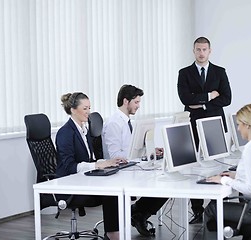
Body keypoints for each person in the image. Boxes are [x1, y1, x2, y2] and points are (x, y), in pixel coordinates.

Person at [56, 92, 127, 240]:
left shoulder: (83, 129)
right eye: (85, 109)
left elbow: (88, 159)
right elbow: (70, 167)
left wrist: (107, 163)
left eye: (89, 108)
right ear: (73, 110)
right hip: (69, 186)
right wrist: (97, 164)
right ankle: (113, 235)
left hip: (83, 180)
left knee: (116, 186)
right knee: (111, 192)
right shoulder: (65, 133)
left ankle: (115, 232)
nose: (89, 112)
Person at [177, 36, 232, 224]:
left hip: (214, 124)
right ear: (194, 51)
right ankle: (197, 210)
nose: (201, 53)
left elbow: (227, 98)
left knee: (217, 164)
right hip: (192, 124)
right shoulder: (184, 73)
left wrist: (201, 104)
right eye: (198, 50)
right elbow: (185, 98)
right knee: (194, 167)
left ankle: (218, 208)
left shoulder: (219, 72)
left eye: (204, 50)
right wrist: (209, 95)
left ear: (210, 51)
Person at [102, 84, 167, 237]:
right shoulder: (114, 123)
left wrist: (149, 150)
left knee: (166, 182)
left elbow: (131, 149)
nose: (138, 106)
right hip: (118, 172)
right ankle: (138, 213)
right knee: (161, 182)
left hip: (130, 166)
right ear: (126, 101)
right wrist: (139, 157)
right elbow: (115, 156)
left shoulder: (127, 122)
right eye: (136, 102)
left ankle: (139, 213)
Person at [204, 104, 251, 233]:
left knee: (211, 209)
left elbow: (250, 189)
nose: (238, 128)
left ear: (247, 125)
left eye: (239, 124)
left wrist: (224, 180)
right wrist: (236, 175)